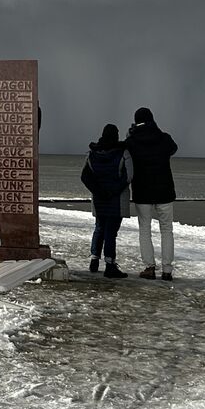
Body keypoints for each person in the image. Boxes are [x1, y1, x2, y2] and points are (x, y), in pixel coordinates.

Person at [125, 107, 179, 281]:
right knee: (167, 230)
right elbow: (173, 148)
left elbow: (125, 150)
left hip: (142, 192)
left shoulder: (132, 141)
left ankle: (149, 267)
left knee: (145, 230)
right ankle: (167, 270)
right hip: (165, 192)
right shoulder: (164, 138)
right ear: (152, 120)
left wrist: (131, 133)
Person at [80, 124, 133, 279]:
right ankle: (110, 265)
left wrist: (98, 191)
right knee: (111, 232)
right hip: (116, 200)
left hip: (99, 199)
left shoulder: (92, 153)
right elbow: (129, 175)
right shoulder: (123, 153)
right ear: (116, 136)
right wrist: (114, 190)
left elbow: (85, 176)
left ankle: (94, 261)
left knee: (99, 228)